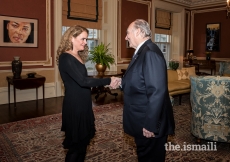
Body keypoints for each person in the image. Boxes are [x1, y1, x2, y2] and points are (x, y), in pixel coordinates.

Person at [56, 25, 120, 162]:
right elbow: (83, 81)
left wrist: (106, 83)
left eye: (86, 39)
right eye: (83, 38)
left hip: (84, 105)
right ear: (72, 38)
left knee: (83, 144)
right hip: (75, 106)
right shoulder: (66, 58)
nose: (85, 42)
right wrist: (108, 80)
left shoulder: (77, 56)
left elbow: (85, 81)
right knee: (76, 147)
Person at [121, 19, 175, 162]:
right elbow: (140, 80)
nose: (125, 37)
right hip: (142, 118)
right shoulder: (143, 51)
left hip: (149, 122)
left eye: (127, 33)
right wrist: (121, 82)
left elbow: (157, 91)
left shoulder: (149, 52)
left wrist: (150, 125)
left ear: (138, 31)